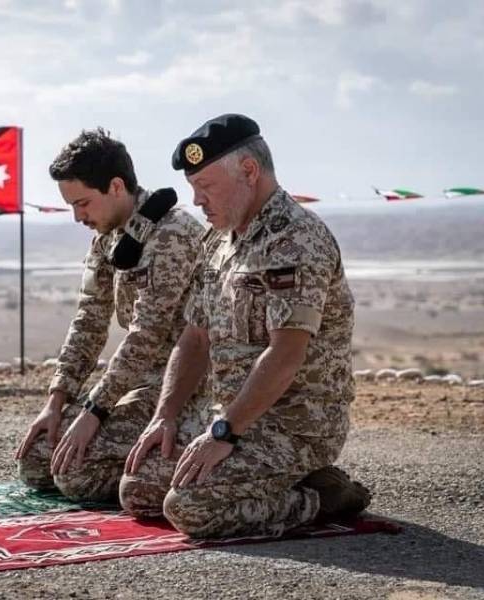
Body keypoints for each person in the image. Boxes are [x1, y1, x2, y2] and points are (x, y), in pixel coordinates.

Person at [120, 114, 370, 538]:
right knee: (138, 490)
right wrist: (166, 415)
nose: (197, 200)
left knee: (191, 509)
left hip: (294, 423)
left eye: (206, 186)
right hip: (232, 416)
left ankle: (320, 497)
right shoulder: (219, 240)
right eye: (193, 187)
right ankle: (272, 481)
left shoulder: (295, 239)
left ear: (249, 171)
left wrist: (224, 433)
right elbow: (195, 336)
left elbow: (286, 353)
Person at [14, 128, 205, 503]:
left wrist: (95, 410)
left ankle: (174, 469)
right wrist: (56, 401)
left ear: (116, 186)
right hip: (137, 383)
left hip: (182, 387)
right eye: (72, 206)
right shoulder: (109, 237)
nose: (77, 216)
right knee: (36, 462)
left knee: (76, 475)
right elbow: (89, 320)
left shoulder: (172, 234)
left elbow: (146, 334)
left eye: (83, 203)